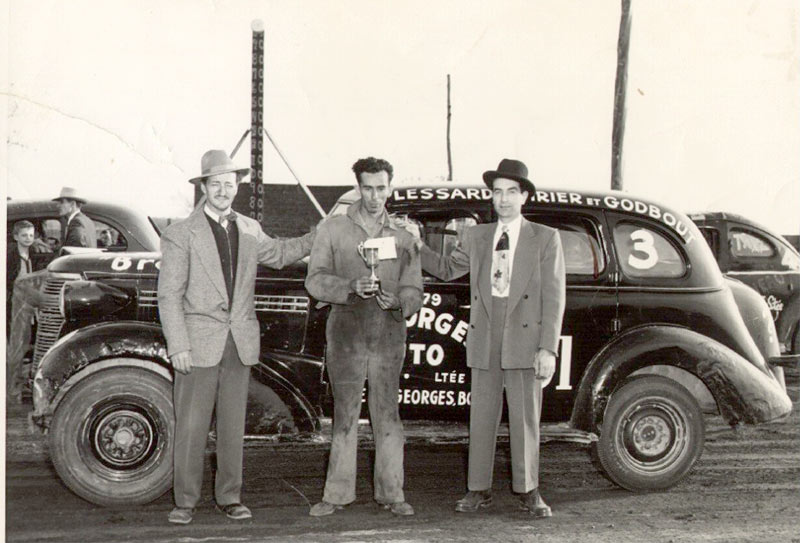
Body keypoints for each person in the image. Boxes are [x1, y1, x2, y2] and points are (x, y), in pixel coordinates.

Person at [157, 149, 315, 525]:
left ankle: (230, 497)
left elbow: (278, 254)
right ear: (204, 187)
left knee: (232, 426)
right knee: (192, 426)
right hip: (196, 343)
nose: (224, 191)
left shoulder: (248, 228)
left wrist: (317, 235)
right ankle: (185, 501)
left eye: (230, 184)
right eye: (217, 184)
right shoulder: (181, 233)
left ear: (237, 188)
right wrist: (177, 344)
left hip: (240, 341)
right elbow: (168, 294)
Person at [415, 158, 566, 517]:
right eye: (497, 192)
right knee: (481, 415)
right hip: (485, 334)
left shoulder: (545, 238)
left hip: (526, 336)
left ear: (525, 196)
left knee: (526, 416)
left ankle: (529, 491)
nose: (504, 199)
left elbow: (554, 296)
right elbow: (449, 269)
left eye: (511, 192)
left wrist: (548, 348)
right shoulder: (477, 236)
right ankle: (477, 489)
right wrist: (416, 246)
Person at [305, 157, 422, 517]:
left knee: (388, 412)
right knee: (345, 413)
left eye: (381, 188)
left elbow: (415, 289)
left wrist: (399, 301)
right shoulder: (334, 229)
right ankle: (336, 495)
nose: (375, 196)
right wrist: (349, 286)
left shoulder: (404, 236)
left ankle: (392, 494)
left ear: (390, 188)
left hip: (388, 332)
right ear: (358, 187)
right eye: (368, 188)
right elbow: (314, 280)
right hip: (346, 331)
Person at [6, 220, 52, 401]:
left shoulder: (34, 253)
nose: (28, 239)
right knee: (15, 347)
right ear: (16, 236)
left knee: (26, 343)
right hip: (14, 304)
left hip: (30, 304)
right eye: (24, 235)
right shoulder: (10, 256)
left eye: (31, 235)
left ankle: (23, 383)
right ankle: (12, 390)